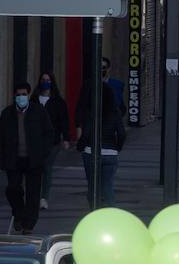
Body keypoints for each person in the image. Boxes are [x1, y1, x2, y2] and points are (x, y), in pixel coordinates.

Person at [0, 82, 54, 234]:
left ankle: (28, 225)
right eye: (18, 95)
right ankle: (18, 213)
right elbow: (0, 137)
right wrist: (0, 158)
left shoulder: (38, 111)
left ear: (29, 95)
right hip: (14, 159)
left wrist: (43, 152)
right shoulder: (7, 113)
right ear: (14, 96)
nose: (21, 97)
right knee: (12, 189)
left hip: (34, 159)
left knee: (33, 193)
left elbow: (49, 133)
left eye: (24, 94)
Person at [75, 73, 127, 208]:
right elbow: (121, 133)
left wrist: (81, 145)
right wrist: (116, 148)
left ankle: (94, 212)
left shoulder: (90, 111)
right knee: (108, 185)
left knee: (92, 187)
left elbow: (86, 133)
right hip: (110, 152)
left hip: (91, 151)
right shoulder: (114, 111)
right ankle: (111, 212)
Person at [35, 72, 72, 210]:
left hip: (52, 141)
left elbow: (64, 121)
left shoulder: (58, 101)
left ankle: (43, 197)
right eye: (43, 80)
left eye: (48, 80)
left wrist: (66, 138)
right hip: (35, 141)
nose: (45, 82)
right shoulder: (34, 100)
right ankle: (36, 195)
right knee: (36, 168)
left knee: (47, 167)